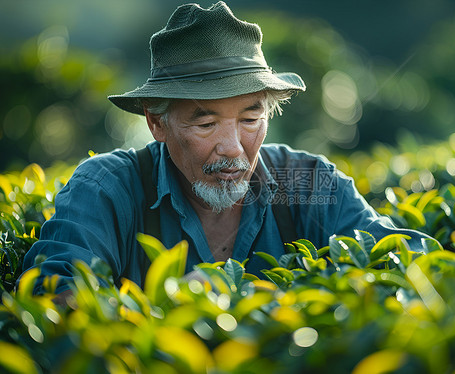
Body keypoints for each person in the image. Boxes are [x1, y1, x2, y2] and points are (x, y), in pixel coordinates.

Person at [20, 1, 429, 296]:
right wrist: (166, 304)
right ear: (156, 122)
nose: (233, 149)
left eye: (250, 119)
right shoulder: (108, 188)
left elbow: (409, 259)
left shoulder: (306, 182)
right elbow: (52, 298)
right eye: (206, 122)